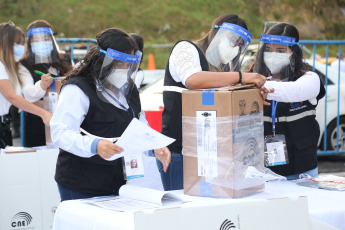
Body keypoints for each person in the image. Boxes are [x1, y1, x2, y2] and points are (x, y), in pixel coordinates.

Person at [50, 27, 171, 201]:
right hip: (80, 183)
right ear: (102, 60)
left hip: (116, 181)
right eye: (120, 63)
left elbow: (138, 123)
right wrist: (95, 145)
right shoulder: (79, 89)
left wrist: (154, 145)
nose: (124, 69)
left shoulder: (128, 90)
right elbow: (60, 133)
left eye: (129, 65)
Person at [158, 13, 267, 191]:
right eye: (232, 40)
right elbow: (192, 79)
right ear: (215, 33)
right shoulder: (186, 48)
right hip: (178, 153)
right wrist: (242, 77)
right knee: (181, 213)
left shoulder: (223, 69)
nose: (235, 47)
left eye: (240, 45)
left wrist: (253, 93)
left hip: (209, 155)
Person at [253, 22, 326, 180]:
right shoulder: (254, 78)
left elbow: (293, 92)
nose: (273, 55)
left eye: (280, 50)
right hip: (265, 172)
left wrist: (256, 85)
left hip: (302, 170)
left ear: (293, 52)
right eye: (268, 49)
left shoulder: (309, 79)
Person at [20, 20, 73, 147]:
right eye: (36, 40)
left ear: (52, 39)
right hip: (38, 121)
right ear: (30, 42)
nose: (42, 43)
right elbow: (27, 94)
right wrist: (42, 86)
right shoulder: (24, 64)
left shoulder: (64, 59)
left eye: (46, 38)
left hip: (66, 119)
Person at [0, 22, 52, 148]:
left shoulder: (8, 68)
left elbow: (23, 98)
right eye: (17, 43)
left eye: (21, 43)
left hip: (4, 125)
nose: (20, 47)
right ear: (6, 44)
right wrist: (43, 113)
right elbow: (11, 97)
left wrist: (51, 107)